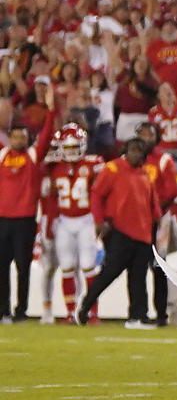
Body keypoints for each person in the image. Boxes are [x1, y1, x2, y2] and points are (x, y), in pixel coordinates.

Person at [77, 138, 161, 329]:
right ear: (125, 151)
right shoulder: (112, 169)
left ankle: (137, 316)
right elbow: (97, 194)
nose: (136, 154)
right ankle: (85, 306)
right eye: (132, 150)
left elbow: (152, 200)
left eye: (139, 151)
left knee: (138, 277)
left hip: (143, 233)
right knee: (109, 273)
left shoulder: (145, 173)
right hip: (119, 231)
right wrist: (99, 221)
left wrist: (157, 217)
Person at [0, 104, 55, 323]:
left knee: (23, 267)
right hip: (2, 219)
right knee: (1, 267)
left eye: (22, 137)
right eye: (15, 137)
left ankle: (21, 310)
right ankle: (3, 310)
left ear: (28, 139)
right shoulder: (2, 155)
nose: (18, 141)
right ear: (9, 138)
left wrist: (50, 111)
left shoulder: (33, 156)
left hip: (24, 220)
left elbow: (47, 135)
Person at [47, 123, 104, 324]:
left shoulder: (93, 164)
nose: (71, 151)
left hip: (86, 220)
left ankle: (92, 312)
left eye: (74, 147)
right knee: (67, 266)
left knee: (89, 266)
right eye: (67, 147)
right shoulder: (54, 166)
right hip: (64, 221)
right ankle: (70, 312)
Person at [137, 121, 177, 326]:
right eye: (142, 134)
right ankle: (139, 311)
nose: (145, 138)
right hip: (138, 220)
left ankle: (161, 313)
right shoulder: (133, 159)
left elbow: (171, 191)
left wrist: (154, 212)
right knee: (138, 267)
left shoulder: (163, 160)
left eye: (149, 134)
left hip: (159, 220)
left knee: (158, 265)